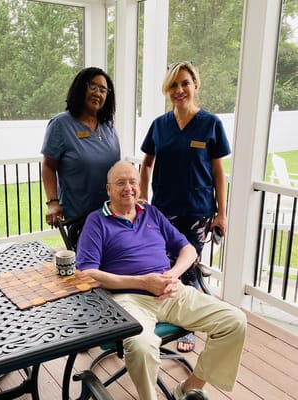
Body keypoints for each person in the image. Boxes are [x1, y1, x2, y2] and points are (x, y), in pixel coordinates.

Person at [76, 161, 246, 400]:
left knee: (234, 321)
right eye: (121, 183)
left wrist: (172, 275)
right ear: (108, 189)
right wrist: (143, 282)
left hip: (172, 291)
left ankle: (188, 389)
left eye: (133, 182)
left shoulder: (151, 213)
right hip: (128, 299)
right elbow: (87, 273)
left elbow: (188, 250)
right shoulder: (97, 222)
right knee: (141, 346)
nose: (129, 188)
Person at [140, 61, 231, 353]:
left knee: (188, 266)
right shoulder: (159, 125)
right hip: (163, 209)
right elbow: (146, 164)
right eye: (173, 85)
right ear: (168, 90)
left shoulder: (210, 124)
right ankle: (161, 316)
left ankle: (188, 326)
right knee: (162, 264)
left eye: (185, 83)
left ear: (195, 85)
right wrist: (142, 198)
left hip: (197, 210)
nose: (179, 90)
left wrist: (222, 213)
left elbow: (218, 172)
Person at [41, 67, 120, 227]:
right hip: (79, 216)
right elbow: (48, 165)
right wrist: (52, 202)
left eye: (103, 90)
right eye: (93, 86)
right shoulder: (61, 124)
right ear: (80, 88)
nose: (98, 93)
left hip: (110, 214)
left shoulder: (109, 126)